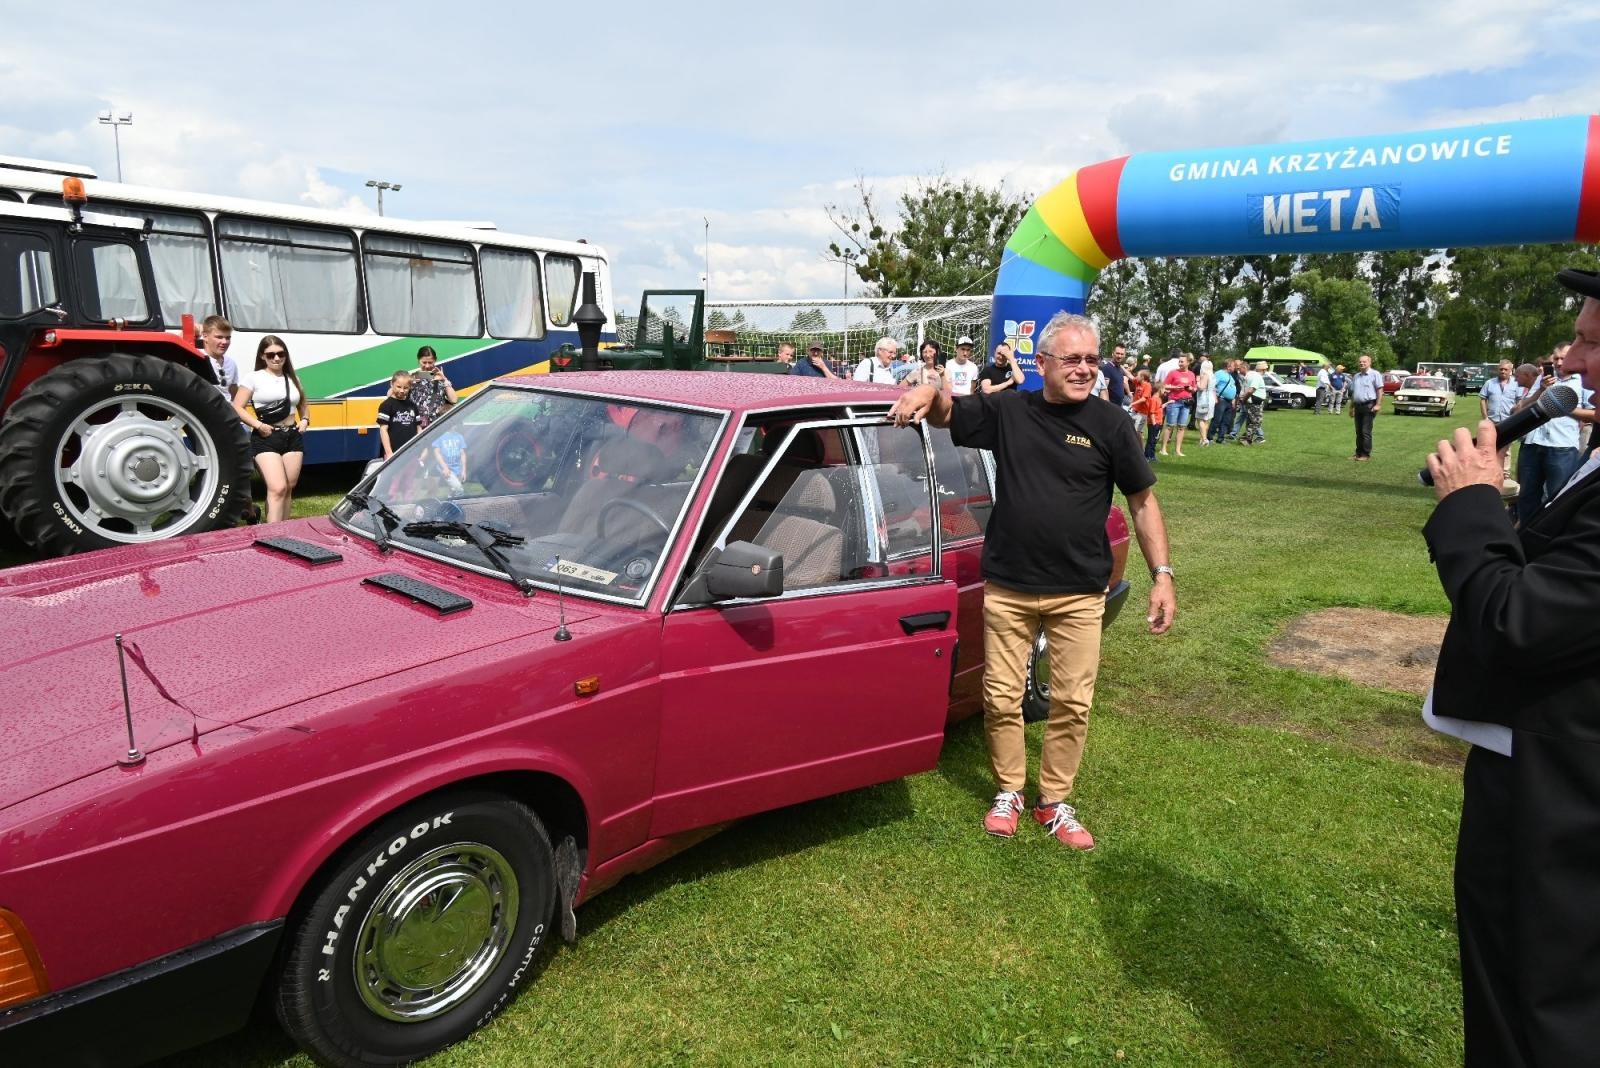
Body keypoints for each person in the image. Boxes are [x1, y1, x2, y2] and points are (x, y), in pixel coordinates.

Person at [888, 310, 1174, 851]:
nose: (1085, 369)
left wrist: (1162, 574)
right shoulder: (1010, 410)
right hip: (1011, 586)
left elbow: (1142, 501)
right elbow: (953, 413)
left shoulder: (1112, 424)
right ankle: (1010, 791)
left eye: (1092, 359)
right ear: (1041, 364)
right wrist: (930, 392)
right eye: (1073, 359)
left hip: (1079, 591)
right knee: (999, 697)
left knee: (1072, 701)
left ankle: (1054, 801)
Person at [1421, 266, 1600, 1067]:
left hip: (1565, 801)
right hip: (1541, 773)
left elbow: (1519, 619)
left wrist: (1471, 507)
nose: (1571, 359)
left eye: (1592, 341)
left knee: (1539, 1007)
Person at [1514, 345, 1596, 524]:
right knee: (1527, 496)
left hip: (1562, 448)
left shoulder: (1582, 381)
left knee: (1558, 497)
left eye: (1563, 358)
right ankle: (1525, 536)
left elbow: (1594, 413)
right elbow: (1520, 409)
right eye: (1555, 359)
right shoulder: (1542, 380)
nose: (1559, 363)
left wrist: (1565, 407)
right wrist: (1540, 391)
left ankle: (1548, 540)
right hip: (1532, 445)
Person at [233, 336, 309, 523]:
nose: (276, 358)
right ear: (263, 356)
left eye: (280, 354)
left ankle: (283, 531)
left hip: (292, 435)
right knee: (277, 488)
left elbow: (303, 403)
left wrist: (305, 419)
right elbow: (236, 406)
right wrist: (258, 425)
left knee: (288, 488)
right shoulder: (253, 378)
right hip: (266, 437)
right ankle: (272, 536)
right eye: (271, 354)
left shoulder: (293, 378)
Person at [1479, 360, 1525, 478]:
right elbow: (1483, 399)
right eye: (1501, 369)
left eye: (1506, 369)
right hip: (1492, 420)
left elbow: (1520, 401)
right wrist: (1485, 417)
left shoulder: (1516, 384)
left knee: (1506, 449)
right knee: (1488, 446)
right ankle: (1488, 472)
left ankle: (1504, 474)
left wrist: (1516, 417)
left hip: (1508, 420)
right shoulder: (1490, 383)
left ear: (1511, 371)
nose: (1503, 371)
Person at [409, 345, 458, 428]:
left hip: (438, 426)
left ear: (435, 360)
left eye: (430, 362)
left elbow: (454, 400)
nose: (427, 366)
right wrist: (409, 381)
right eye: (424, 362)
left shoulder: (440, 377)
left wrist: (444, 380)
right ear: (418, 360)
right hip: (417, 427)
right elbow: (391, 395)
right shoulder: (411, 377)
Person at [1347, 353, 1385, 461]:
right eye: (1360, 362)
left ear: (1369, 362)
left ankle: (1365, 454)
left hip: (1369, 405)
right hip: (1358, 406)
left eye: (1364, 361)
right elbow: (1354, 393)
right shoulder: (1356, 376)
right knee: (1358, 431)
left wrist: (1378, 404)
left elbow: (1379, 390)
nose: (1361, 363)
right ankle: (1358, 453)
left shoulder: (1375, 374)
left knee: (1365, 431)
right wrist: (1351, 407)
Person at [1158, 353, 1196, 457]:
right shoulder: (1172, 373)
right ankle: (1163, 449)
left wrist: (1191, 389)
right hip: (1174, 402)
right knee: (1170, 426)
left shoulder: (1191, 374)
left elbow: (1194, 388)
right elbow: (1165, 385)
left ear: (1188, 362)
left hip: (1186, 403)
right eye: (1179, 361)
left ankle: (1178, 450)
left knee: (1181, 427)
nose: (1180, 363)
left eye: (1182, 361)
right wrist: (1175, 388)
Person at [376, 371, 420, 460]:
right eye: (398, 387)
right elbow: (383, 430)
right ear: (391, 384)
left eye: (406, 388)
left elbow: (418, 428)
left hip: (413, 454)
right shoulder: (386, 405)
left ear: (410, 387)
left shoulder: (413, 405)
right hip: (394, 454)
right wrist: (389, 453)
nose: (402, 390)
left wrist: (421, 449)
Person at [198, 315, 239, 404]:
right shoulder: (196, 359)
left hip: (227, 411)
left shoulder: (231, 363)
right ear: (205, 336)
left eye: (228, 338)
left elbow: (234, 393)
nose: (224, 342)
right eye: (219, 337)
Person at [1237, 360, 1268, 445]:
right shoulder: (1256, 376)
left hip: (1251, 401)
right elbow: (1250, 391)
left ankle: (1245, 438)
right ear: (1263, 369)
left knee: (1251, 421)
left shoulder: (1249, 375)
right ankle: (1245, 439)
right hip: (1255, 402)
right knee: (1256, 422)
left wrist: (1243, 400)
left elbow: (1246, 390)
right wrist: (1243, 400)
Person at [431, 427, 468, 493]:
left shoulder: (459, 436)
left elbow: (462, 454)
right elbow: (437, 452)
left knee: (453, 491)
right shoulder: (439, 436)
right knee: (458, 489)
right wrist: (445, 467)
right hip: (446, 468)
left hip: (457, 468)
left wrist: (463, 470)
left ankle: (450, 501)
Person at [1193, 354, 1215, 446]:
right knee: (1206, 420)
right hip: (1211, 398)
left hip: (1203, 398)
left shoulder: (1205, 375)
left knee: (1200, 419)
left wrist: (1197, 381)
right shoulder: (1213, 375)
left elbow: (1201, 387)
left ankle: (1204, 439)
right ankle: (1202, 439)